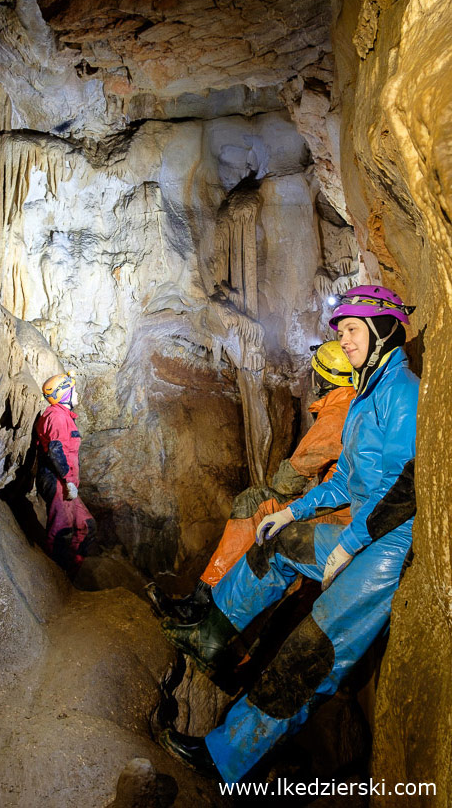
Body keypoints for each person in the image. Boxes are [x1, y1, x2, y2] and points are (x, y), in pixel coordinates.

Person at [159, 285, 418, 783]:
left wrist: (347, 544)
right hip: (361, 533)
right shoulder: (368, 395)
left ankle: (226, 759)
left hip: (383, 550)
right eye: (341, 331)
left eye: (352, 329)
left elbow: (403, 487)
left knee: (309, 653)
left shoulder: (402, 390)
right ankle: (211, 637)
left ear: (383, 328)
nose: (344, 340)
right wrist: (294, 510)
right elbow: (346, 477)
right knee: (274, 542)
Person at [148, 341, 356, 623]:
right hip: (345, 508)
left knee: (255, 504)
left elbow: (289, 480)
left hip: (341, 517)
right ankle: (209, 597)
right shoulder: (354, 402)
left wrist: (285, 491)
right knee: (264, 506)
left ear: (321, 378)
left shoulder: (338, 413)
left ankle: (204, 602)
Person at [34, 372, 96, 572]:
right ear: (64, 395)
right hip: (57, 479)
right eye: (73, 390)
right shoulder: (56, 416)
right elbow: (55, 450)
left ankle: (72, 570)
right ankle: (55, 577)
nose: (76, 393)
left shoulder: (65, 417)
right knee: (62, 529)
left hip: (65, 481)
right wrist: (68, 481)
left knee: (87, 525)